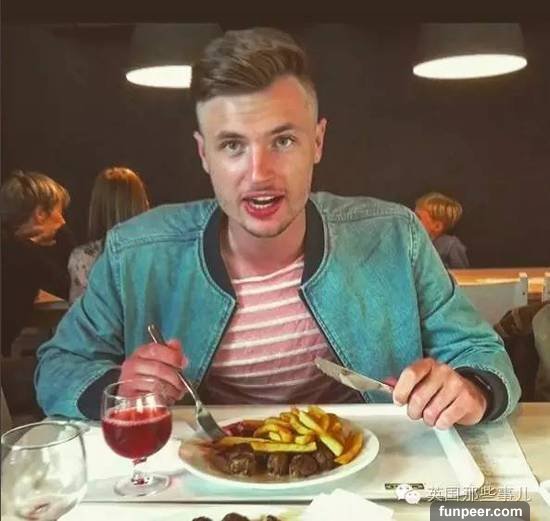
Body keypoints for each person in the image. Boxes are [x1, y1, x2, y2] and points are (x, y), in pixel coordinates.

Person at [35, 28, 520, 430]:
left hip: (370, 475)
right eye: (232, 145)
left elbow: (481, 352)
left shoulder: (396, 235)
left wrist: (472, 389)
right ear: (204, 154)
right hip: (200, 478)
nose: (259, 174)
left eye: (283, 140)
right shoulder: (135, 251)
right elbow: (57, 367)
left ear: (318, 142)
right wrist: (119, 387)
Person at [1, 170, 74, 356]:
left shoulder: (15, 249)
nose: (63, 221)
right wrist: (63, 237)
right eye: (59, 212)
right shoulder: (24, 256)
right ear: (40, 214)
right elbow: (73, 288)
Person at [68, 167, 149, 304]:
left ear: (97, 206)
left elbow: (78, 311)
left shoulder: (82, 258)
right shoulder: (163, 253)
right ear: (142, 203)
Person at [414, 192, 470, 269]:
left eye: (418, 218)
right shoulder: (413, 243)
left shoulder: (451, 245)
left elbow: (463, 273)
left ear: (437, 226)